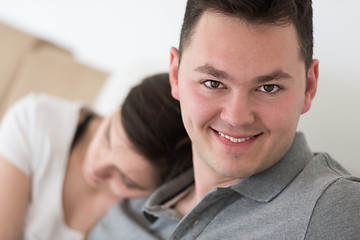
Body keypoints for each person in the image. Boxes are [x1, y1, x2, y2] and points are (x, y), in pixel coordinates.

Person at [88, 0, 360, 239]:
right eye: (213, 83)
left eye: (269, 88)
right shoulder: (131, 202)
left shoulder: (336, 210)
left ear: (309, 86)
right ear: (175, 74)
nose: (236, 117)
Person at [0, 73, 192, 240]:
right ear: (117, 109)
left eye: (126, 179)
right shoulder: (35, 122)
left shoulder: (155, 217)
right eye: (107, 137)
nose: (96, 168)